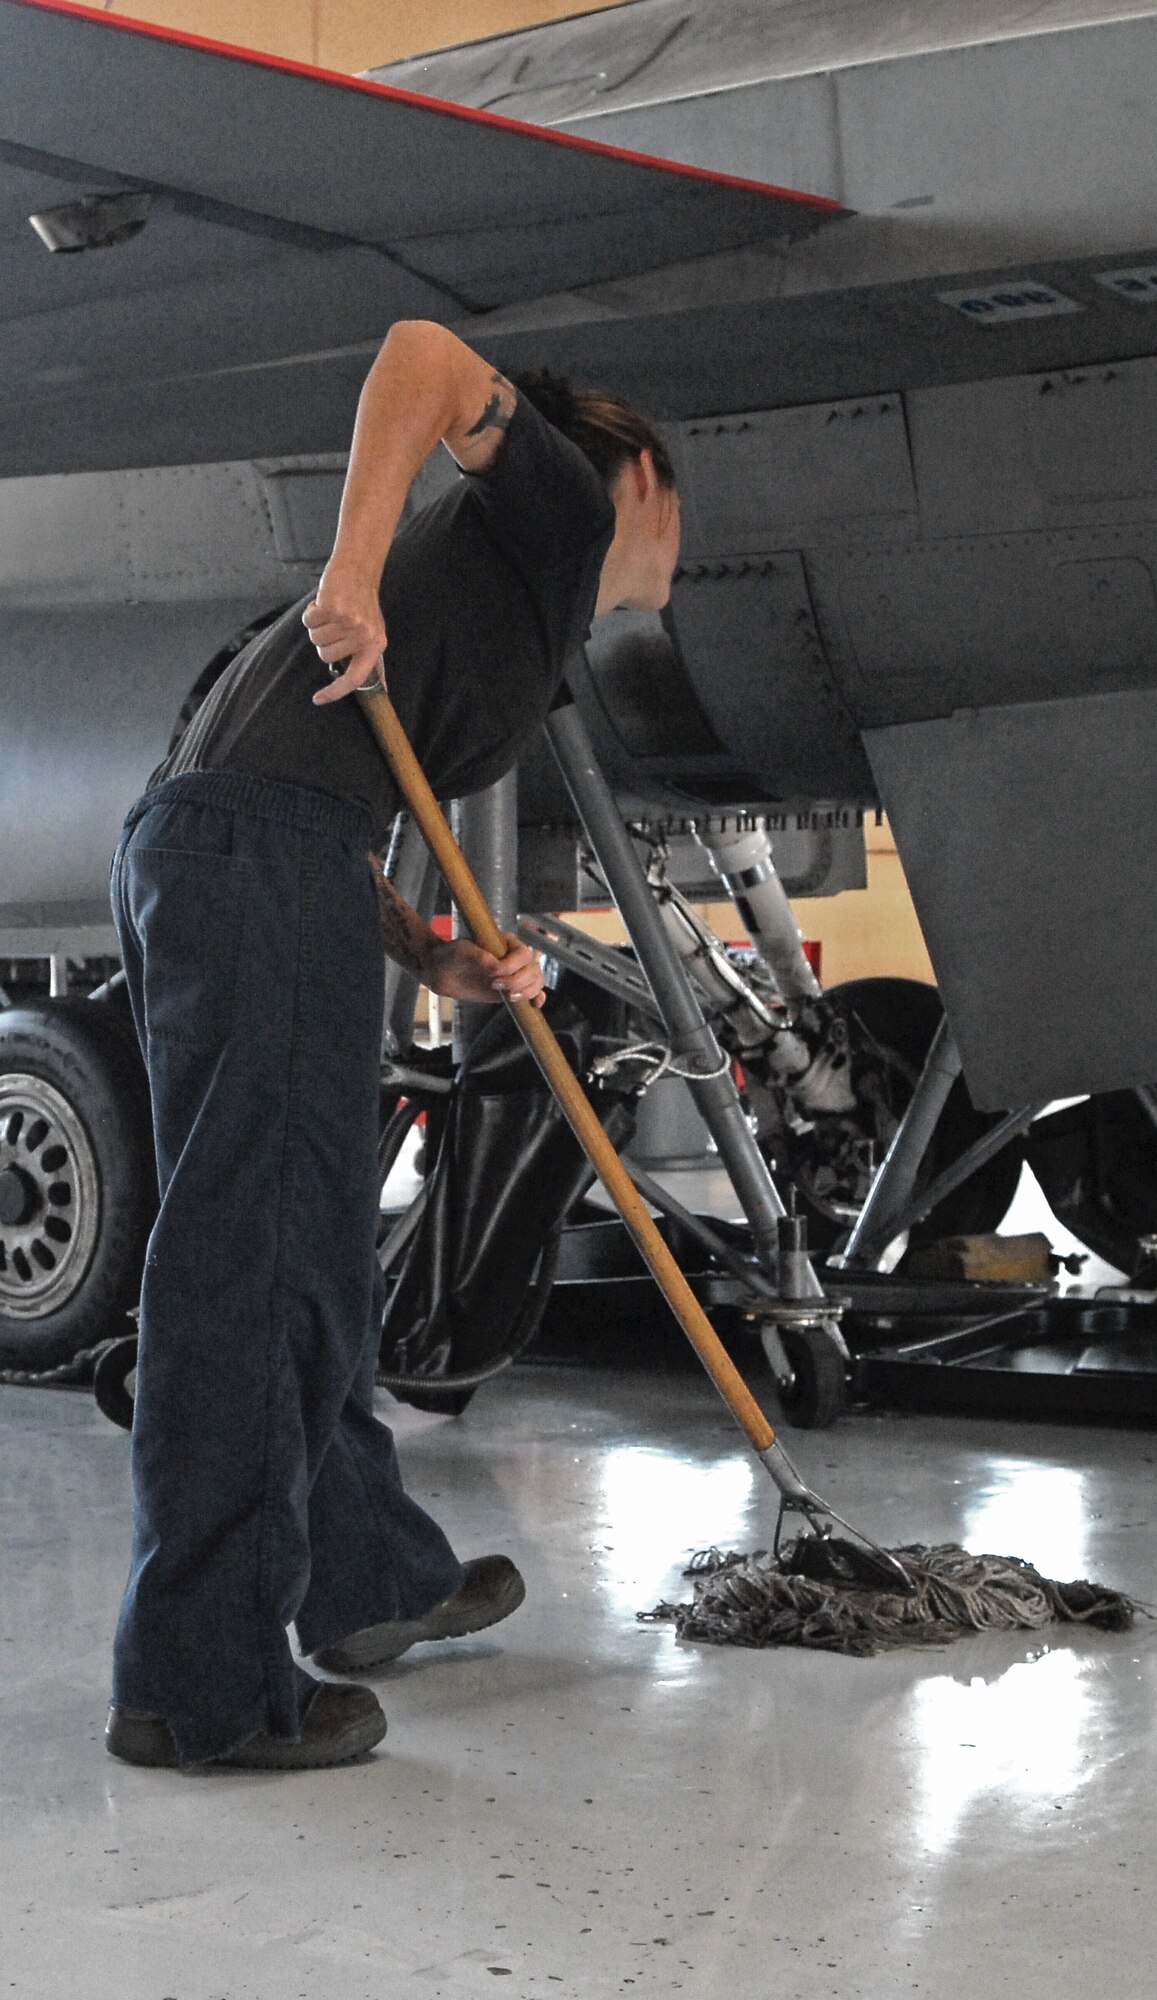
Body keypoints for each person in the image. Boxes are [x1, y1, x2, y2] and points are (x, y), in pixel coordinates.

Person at [104, 319, 682, 1770]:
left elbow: (291, 782)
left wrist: (427, 953)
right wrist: (347, 573)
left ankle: (369, 1582)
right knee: (263, 1263)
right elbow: (422, 355)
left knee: (300, 1253)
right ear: (644, 481)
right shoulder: (556, 511)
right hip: (253, 855)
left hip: (222, 848)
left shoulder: (492, 591)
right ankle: (205, 1685)